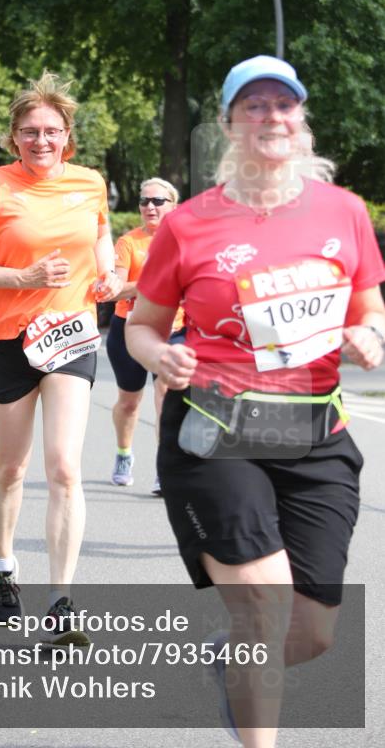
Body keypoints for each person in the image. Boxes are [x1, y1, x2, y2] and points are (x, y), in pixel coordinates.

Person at [126, 55, 385, 747]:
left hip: (313, 432)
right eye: (254, 106)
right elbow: (141, 326)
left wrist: (369, 336)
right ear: (228, 124)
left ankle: (229, 661)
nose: (271, 117)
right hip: (216, 426)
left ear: (299, 120)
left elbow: (372, 310)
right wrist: (161, 355)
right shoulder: (188, 224)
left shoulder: (345, 212)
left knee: (314, 633)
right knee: (262, 614)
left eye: (283, 105)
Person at [0, 72, 121, 644]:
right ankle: (3, 566)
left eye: (50, 130)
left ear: (67, 134)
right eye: (29, 132)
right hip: (7, 340)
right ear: (14, 137)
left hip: (70, 336)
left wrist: (109, 281)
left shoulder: (91, 184)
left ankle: (62, 598)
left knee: (65, 467)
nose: (40, 140)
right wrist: (22, 276)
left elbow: (102, 253)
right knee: (12, 467)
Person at [106, 177, 181, 492]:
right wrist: (153, 283)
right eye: (145, 201)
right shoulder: (128, 243)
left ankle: (164, 468)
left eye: (158, 201)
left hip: (172, 327)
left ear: (172, 205)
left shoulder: (184, 240)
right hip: (128, 326)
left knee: (165, 396)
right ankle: (124, 452)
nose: (150, 207)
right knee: (129, 402)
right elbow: (115, 290)